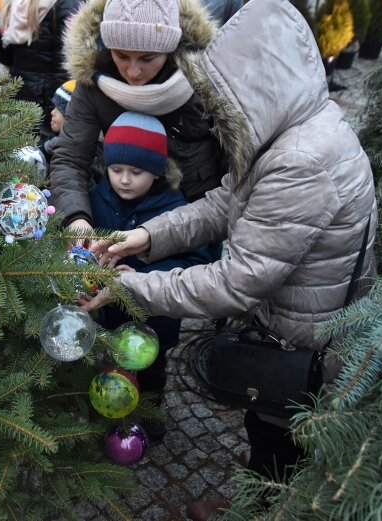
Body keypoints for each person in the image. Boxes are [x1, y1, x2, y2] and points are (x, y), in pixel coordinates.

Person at [80, 0, 377, 517]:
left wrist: (134, 286)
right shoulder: (289, 129)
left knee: (282, 435)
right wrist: (147, 237)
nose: (214, 112)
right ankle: (257, 492)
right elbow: (226, 201)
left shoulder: (300, 161)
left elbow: (238, 281)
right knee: (267, 429)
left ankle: (259, 507)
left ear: (251, 88)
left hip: (304, 338)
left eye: (218, 99)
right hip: (295, 322)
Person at [86, 111, 220, 439]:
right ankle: (99, 412)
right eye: (116, 170)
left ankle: (149, 411)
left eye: (136, 171)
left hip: (154, 320)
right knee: (101, 365)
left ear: (157, 171)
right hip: (102, 316)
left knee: (151, 371)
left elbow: (195, 261)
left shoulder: (176, 208)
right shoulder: (94, 200)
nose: (125, 180)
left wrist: (146, 275)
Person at [49, 0, 224, 235]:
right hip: (117, 213)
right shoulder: (92, 82)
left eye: (147, 58)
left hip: (196, 214)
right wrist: (76, 218)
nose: (133, 71)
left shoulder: (207, 76)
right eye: (121, 56)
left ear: (169, 49)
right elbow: (70, 157)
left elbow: (237, 155)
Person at [0, 0, 81, 143]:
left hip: (46, 112)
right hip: (19, 105)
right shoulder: (19, 5)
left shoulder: (65, 5)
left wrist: (56, 111)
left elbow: (65, 69)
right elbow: (11, 59)